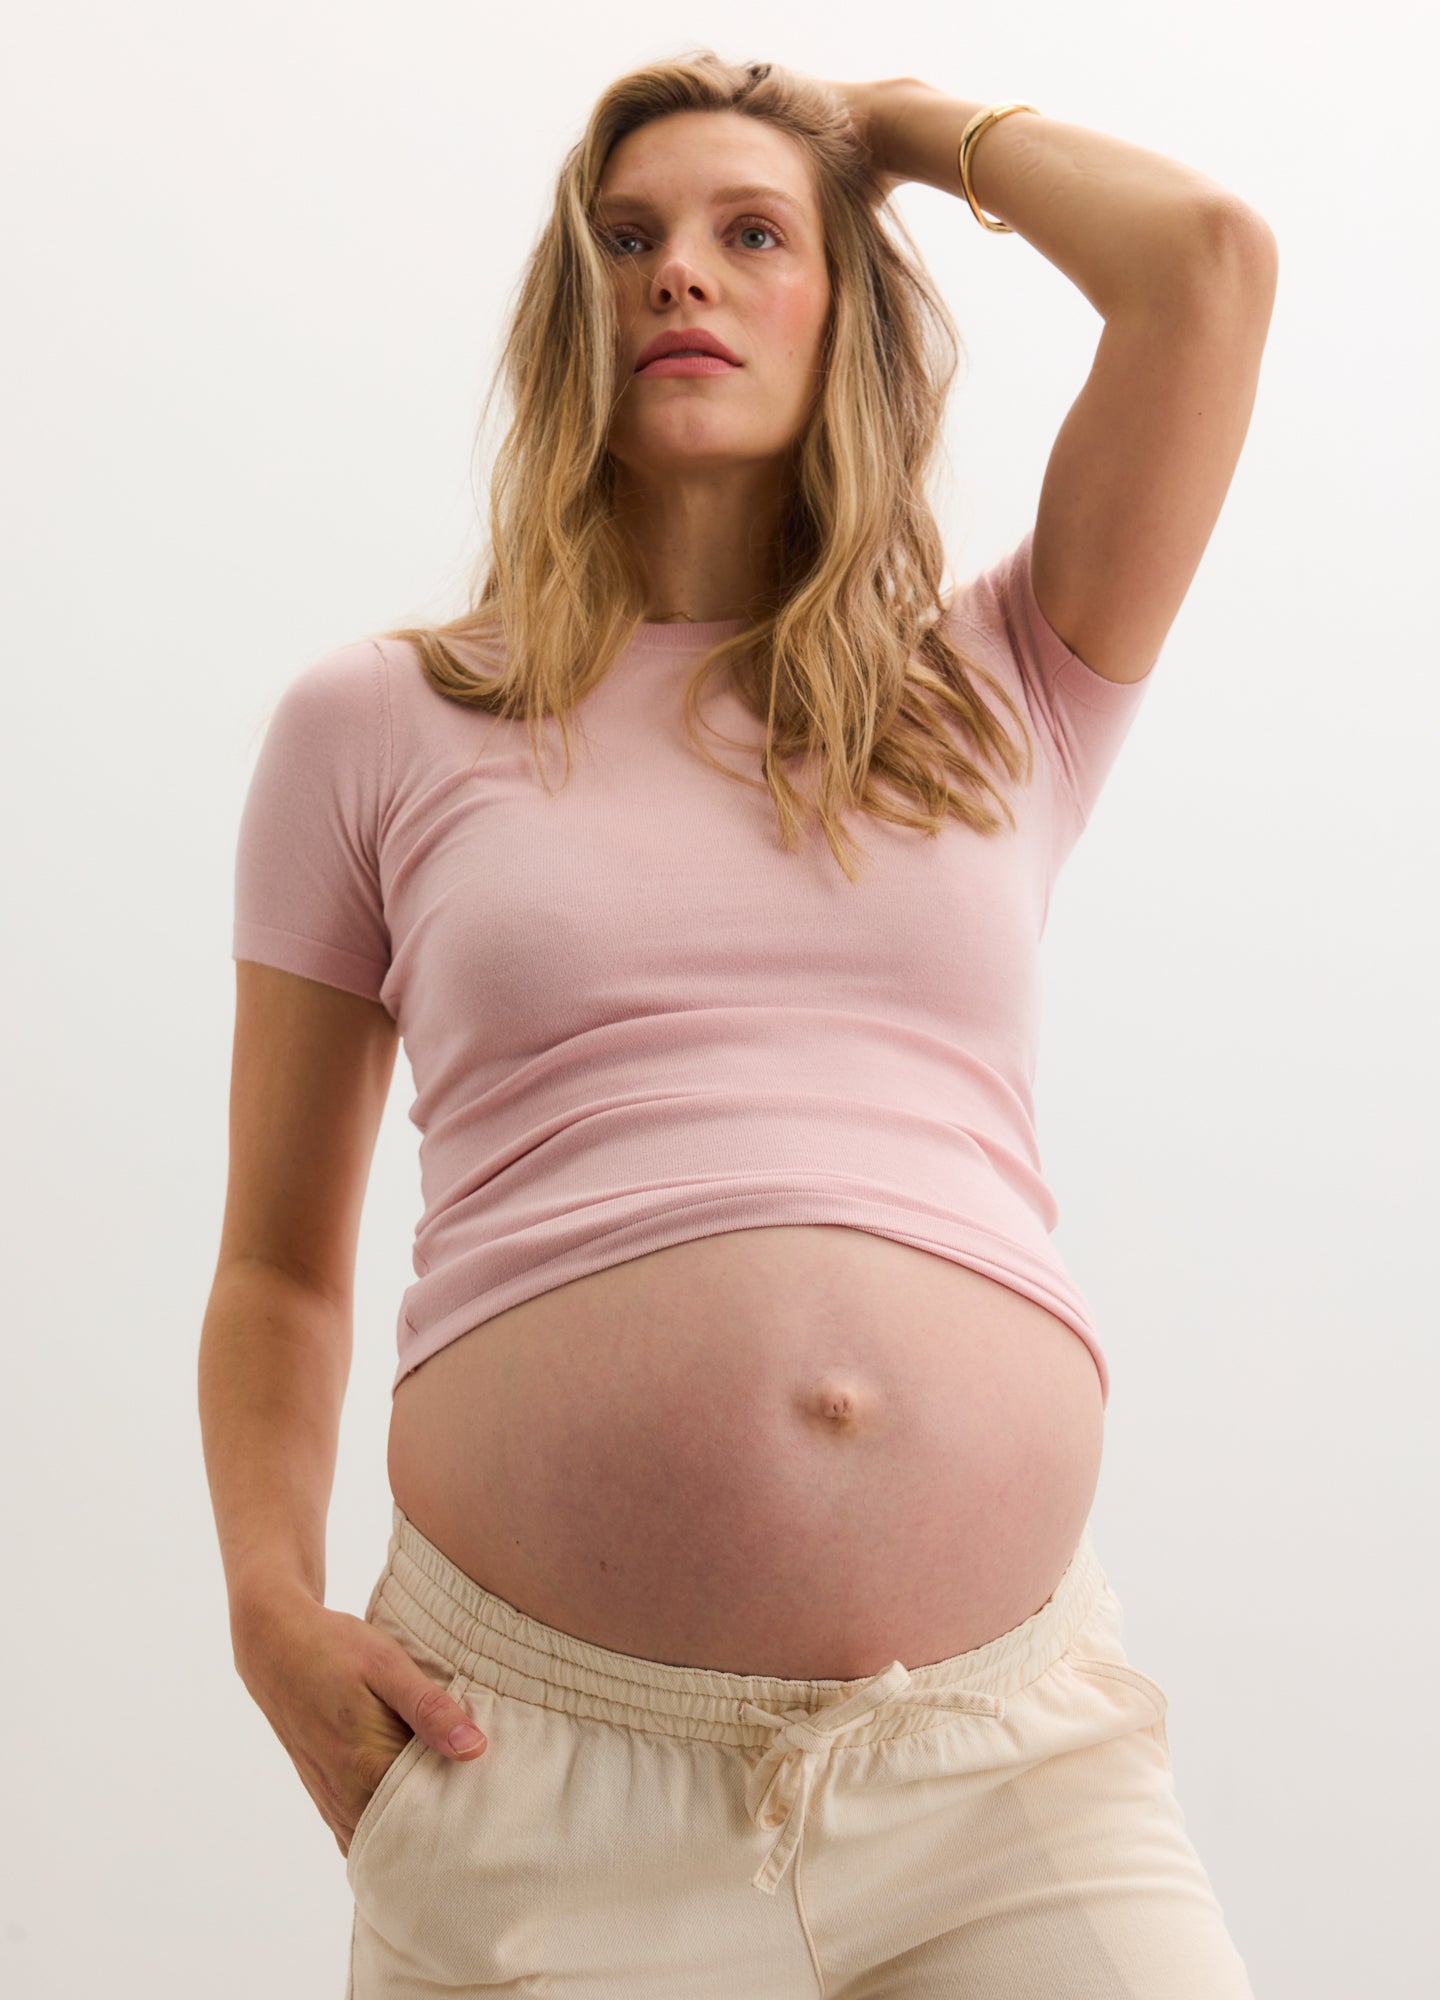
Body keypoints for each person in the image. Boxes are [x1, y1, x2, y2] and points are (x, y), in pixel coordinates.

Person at [200, 50, 1278, 1999]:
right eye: (627, 240)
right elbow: (279, 1264)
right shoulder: (379, 727)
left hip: (1005, 1768)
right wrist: (268, 1612)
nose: (678, 273)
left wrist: (899, 131)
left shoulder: (999, 685)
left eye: (751, 235)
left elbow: (1208, 264)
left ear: (846, 312)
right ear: (571, 315)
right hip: (541, 1778)